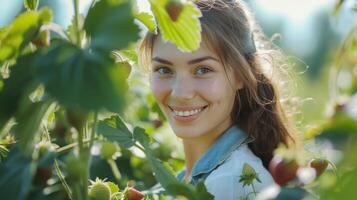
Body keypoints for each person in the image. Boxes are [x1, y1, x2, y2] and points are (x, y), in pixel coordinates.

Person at [139, 0, 296, 199]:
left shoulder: (228, 182)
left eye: (203, 70)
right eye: (164, 70)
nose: (180, 93)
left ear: (241, 75)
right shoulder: (198, 180)